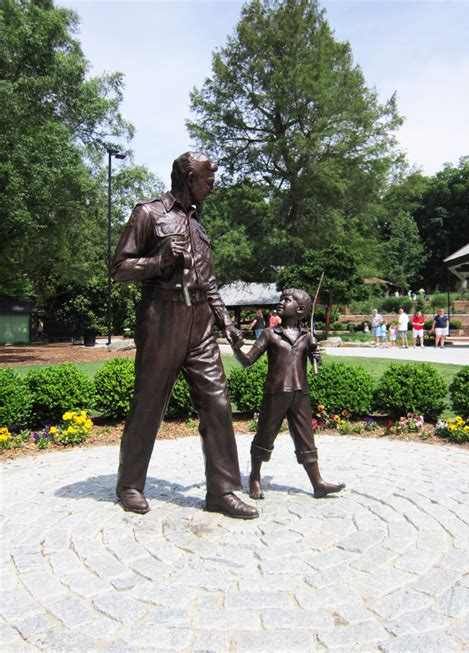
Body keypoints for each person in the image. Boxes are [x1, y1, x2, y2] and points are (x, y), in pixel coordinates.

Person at [111, 151, 258, 520]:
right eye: (208, 180)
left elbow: (208, 281)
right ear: (189, 178)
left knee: (218, 402)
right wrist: (158, 261)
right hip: (161, 316)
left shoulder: (198, 224)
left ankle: (222, 491)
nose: (213, 186)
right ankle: (129, 483)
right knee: (149, 404)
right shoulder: (148, 213)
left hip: (201, 323)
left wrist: (225, 321)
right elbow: (118, 268)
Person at [231, 288, 345, 501]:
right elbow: (248, 361)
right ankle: (254, 477)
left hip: (300, 393)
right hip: (276, 392)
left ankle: (317, 482)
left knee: (305, 438)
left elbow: (315, 362)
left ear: (300, 309)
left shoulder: (306, 336)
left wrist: (316, 356)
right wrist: (237, 348)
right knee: (265, 434)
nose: (281, 302)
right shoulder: (269, 334)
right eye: (281, 299)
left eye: (287, 300)